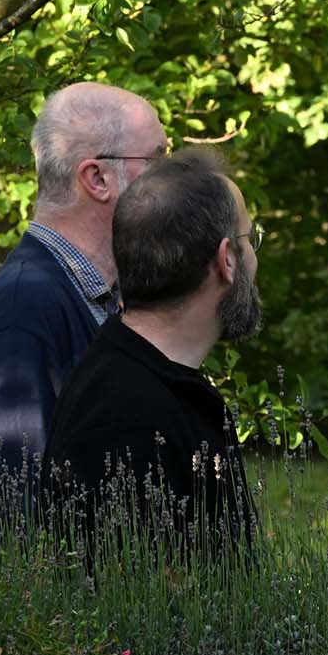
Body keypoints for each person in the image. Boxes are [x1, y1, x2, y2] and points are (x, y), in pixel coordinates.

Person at [0, 82, 168, 522]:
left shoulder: (94, 297)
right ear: (98, 179)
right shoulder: (21, 311)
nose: (173, 178)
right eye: (157, 160)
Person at [44, 149, 260, 558]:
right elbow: (144, 610)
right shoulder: (125, 417)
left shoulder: (147, 379)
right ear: (227, 259)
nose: (256, 257)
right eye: (253, 240)